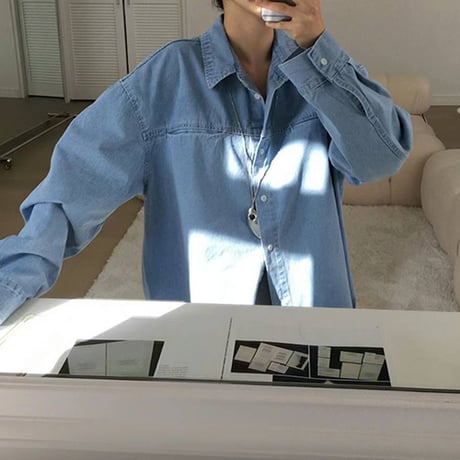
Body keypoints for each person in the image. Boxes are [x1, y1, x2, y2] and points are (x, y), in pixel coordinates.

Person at [0, 0, 412, 324]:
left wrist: (317, 46)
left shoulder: (321, 76)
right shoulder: (165, 81)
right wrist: (13, 281)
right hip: (202, 338)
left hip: (316, 327)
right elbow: (72, 187)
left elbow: (381, 158)